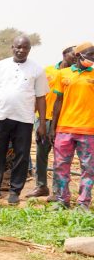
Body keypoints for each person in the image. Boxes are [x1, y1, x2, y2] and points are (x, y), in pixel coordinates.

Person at [0, 35, 48, 205]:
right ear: (12, 47)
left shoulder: (37, 69)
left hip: (24, 119)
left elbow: (41, 98)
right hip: (1, 117)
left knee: (22, 156)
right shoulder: (0, 66)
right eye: (18, 47)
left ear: (29, 50)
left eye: (25, 48)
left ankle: (15, 191)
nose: (21, 50)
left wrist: (42, 124)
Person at [26, 45, 77, 199]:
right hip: (43, 119)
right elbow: (37, 94)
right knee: (41, 153)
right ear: (64, 54)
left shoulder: (75, 74)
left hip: (63, 121)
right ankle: (41, 186)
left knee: (60, 156)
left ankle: (57, 190)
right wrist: (34, 118)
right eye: (74, 54)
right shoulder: (47, 70)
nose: (76, 57)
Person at [49, 42, 94, 211]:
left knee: (88, 169)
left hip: (89, 130)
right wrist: (53, 128)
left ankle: (83, 203)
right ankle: (62, 200)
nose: (91, 61)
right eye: (88, 57)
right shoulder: (63, 75)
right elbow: (57, 102)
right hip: (64, 129)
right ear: (78, 56)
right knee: (60, 166)